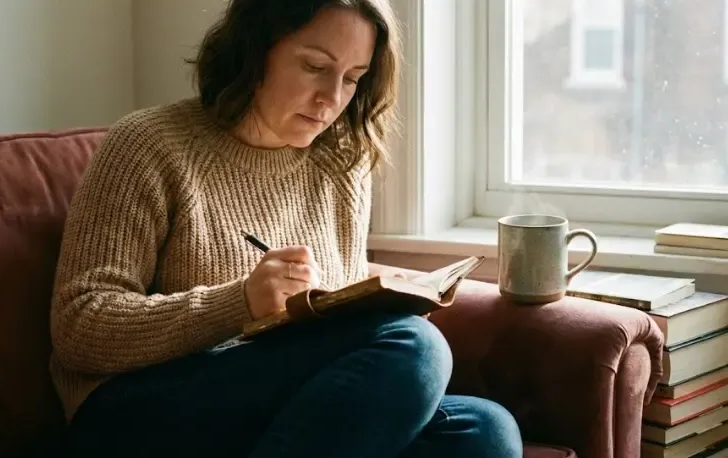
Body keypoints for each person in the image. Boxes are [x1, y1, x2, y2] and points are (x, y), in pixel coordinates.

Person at [50, 0, 523, 456]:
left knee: (486, 431)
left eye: (352, 79)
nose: (332, 98)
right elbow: (80, 326)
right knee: (416, 348)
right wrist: (239, 302)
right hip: (133, 412)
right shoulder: (149, 145)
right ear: (254, 49)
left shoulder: (341, 163)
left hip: (272, 406)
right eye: (316, 67)